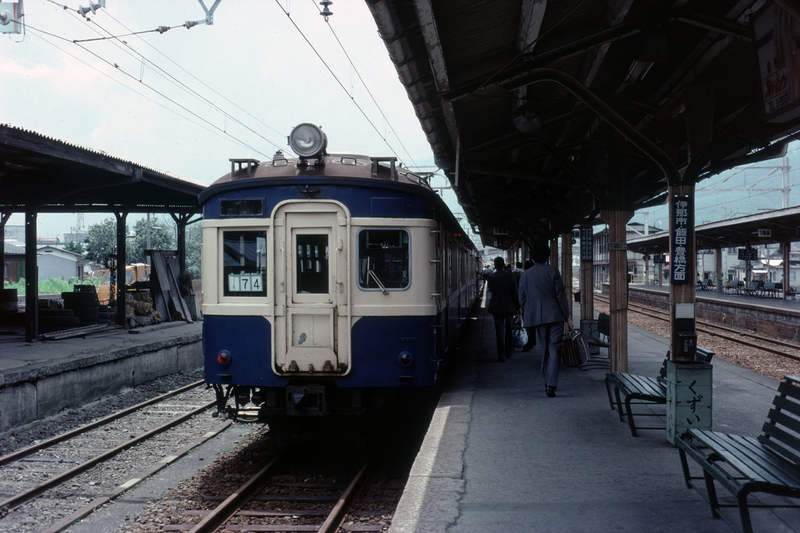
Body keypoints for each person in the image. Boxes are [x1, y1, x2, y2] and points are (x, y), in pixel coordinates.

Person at [519, 241, 573, 397]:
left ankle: (547, 377)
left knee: (544, 347)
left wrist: (529, 310)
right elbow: (561, 295)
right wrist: (567, 315)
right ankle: (551, 383)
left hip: (537, 317)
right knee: (554, 347)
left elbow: (522, 298)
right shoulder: (553, 271)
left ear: (533, 257)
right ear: (547, 256)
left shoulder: (525, 275)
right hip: (555, 315)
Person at [486, 256, 522, 362]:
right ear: (503, 265)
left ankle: (501, 355)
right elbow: (515, 292)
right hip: (509, 306)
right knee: (509, 329)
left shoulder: (490, 276)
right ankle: (508, 352)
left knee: (499, 331)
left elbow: (490, 289)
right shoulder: (510, 276)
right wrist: (518, 306)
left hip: (496, 306)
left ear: (495, 265)